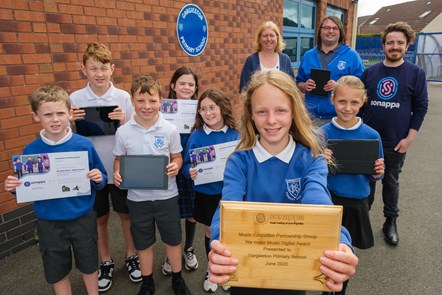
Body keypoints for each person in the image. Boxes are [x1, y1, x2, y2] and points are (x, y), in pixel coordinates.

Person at [208, 70, 359, 295]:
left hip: (295, 276)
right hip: (246, 275)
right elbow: (227, 206)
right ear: (250, 115)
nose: (271, 120)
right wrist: (219, 243)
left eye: (280, 110)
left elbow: (318, 201)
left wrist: (340, 242)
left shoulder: (311, 159)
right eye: (261, 112)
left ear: (293, 113)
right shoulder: (239, 161)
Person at [4, 85, 107, 295]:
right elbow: (28, 186)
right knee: (57, 270)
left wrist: (98, 179)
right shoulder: (31, 151)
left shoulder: (83, 145)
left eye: (60, 113)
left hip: (82, 218)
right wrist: (14, 188)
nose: (55, 119)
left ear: (70, 114)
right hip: (49, 222)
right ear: (35, 116)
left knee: (89, 264)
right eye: (48, 114)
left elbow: (102, 177)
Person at [113, 75, 192, 295]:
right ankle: (147, 283)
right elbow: (118, 159)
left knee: (173, 240)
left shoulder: (169, 130)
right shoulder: (123, 132)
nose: (146, 106)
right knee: (143, 243)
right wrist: (117, 172)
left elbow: (177, 156)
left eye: (152, 100)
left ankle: (178, 279)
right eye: (140, 100)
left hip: (167, 196)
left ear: (160, 102)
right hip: (138, 200)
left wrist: (176, 165)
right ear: (132, 101)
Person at [70, 42, 139, 292]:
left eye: (103, 68)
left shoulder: (122, 97)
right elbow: (65, 135)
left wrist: (123, 119)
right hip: (92, 171)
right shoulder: (75, 99)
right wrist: (70, 122)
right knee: (99, 219)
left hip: (119, 168)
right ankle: (106, 261)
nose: (99, 73)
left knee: (125, 215)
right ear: (83, 70)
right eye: (93, 68)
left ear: (112, 69)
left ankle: (131, 256)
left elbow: (135, 129)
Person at [360, 22, 428, 246]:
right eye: (390, 42)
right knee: (366, 183)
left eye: (400, 42)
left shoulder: (415, 73)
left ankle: (390, 221)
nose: (395, 46)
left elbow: (420, 107)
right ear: (384, 45)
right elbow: (359, 105)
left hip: (396, 142)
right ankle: (361, 221)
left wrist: (410, 138)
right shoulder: (369, 73)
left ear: (407, 45)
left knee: (390, 182)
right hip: (368, 141)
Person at [320, 76, 385, 295]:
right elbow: (310, 173)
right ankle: (323, 288)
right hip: (329, 202)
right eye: (342, 101)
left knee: (346, 256)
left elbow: (375, 175)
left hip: (357, 203)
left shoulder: (371, 136)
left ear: (362, 102)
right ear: (333, 100)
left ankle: (340, 290)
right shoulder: (321, 135)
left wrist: (378, 172)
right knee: (325, 252)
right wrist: (319, 160)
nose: (347, 108)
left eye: (354, 103)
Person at [182, 88, 240, 293]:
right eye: (203, 109)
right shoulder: (197, 136)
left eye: (212, 107)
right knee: (211, 231)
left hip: (231, 193)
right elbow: (186, 164)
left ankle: (229, 270)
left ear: (222, 108)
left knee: (231, 233)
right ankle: (212, 270)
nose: (208, 113)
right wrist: (190, 172)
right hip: (206, 193)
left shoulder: (236, 134)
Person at [161, 67, 200, 276]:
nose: (186, 87)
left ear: (195, 88)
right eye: (182, 83)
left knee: (192, 213)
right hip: (171, 167)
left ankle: (189, 248)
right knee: (172, 213)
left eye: (191, 84)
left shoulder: (201, 110)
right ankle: (172, 252)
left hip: (192, 168)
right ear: (173, 86)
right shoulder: (162, 110)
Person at [296, 16, 365, 125]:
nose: (330, 31)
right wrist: (305, 86)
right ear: (320, 31)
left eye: (335, 28)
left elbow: (361, 84)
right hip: (310, 118)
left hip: (338, 118)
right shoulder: (308, 55)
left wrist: (339, 86)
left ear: (340, 32)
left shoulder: (352, 56)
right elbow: (299, 82)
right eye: (326, 28)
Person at [239, 20, 294, 92]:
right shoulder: (251, 60)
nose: (268, 39)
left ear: (277, 38)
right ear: (259, 39)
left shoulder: (285, 59)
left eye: (272, 35)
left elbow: (292, 86)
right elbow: (244, 89)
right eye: (265, 36)